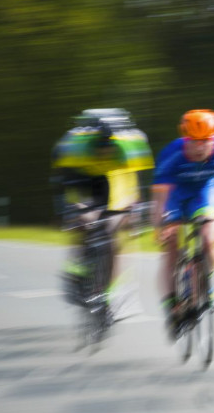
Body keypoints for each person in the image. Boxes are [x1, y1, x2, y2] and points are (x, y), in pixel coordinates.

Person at [51, 108, 154, 316]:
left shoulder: (128, 147)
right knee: (82, 220)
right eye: (101, 146)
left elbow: (135, 185)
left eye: (109, 146)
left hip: (109, 179)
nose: (105, 150)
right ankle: (75, 271)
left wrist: (135, 211)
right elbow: (64, 184)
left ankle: (107, 293)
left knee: (112, 235)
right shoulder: (76, 147)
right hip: (81, 176)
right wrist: (72, 210)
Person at [152, 109, 214, 339]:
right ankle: (172, 302)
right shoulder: (172, 154)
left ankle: (206, 282)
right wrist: (159, 226)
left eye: (206, 141)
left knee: (209, 237)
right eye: (195, 141)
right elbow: (160, 198)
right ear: (186, 139)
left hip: (205, 192)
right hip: (176, 195)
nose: (201, 147)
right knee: (172, 245)